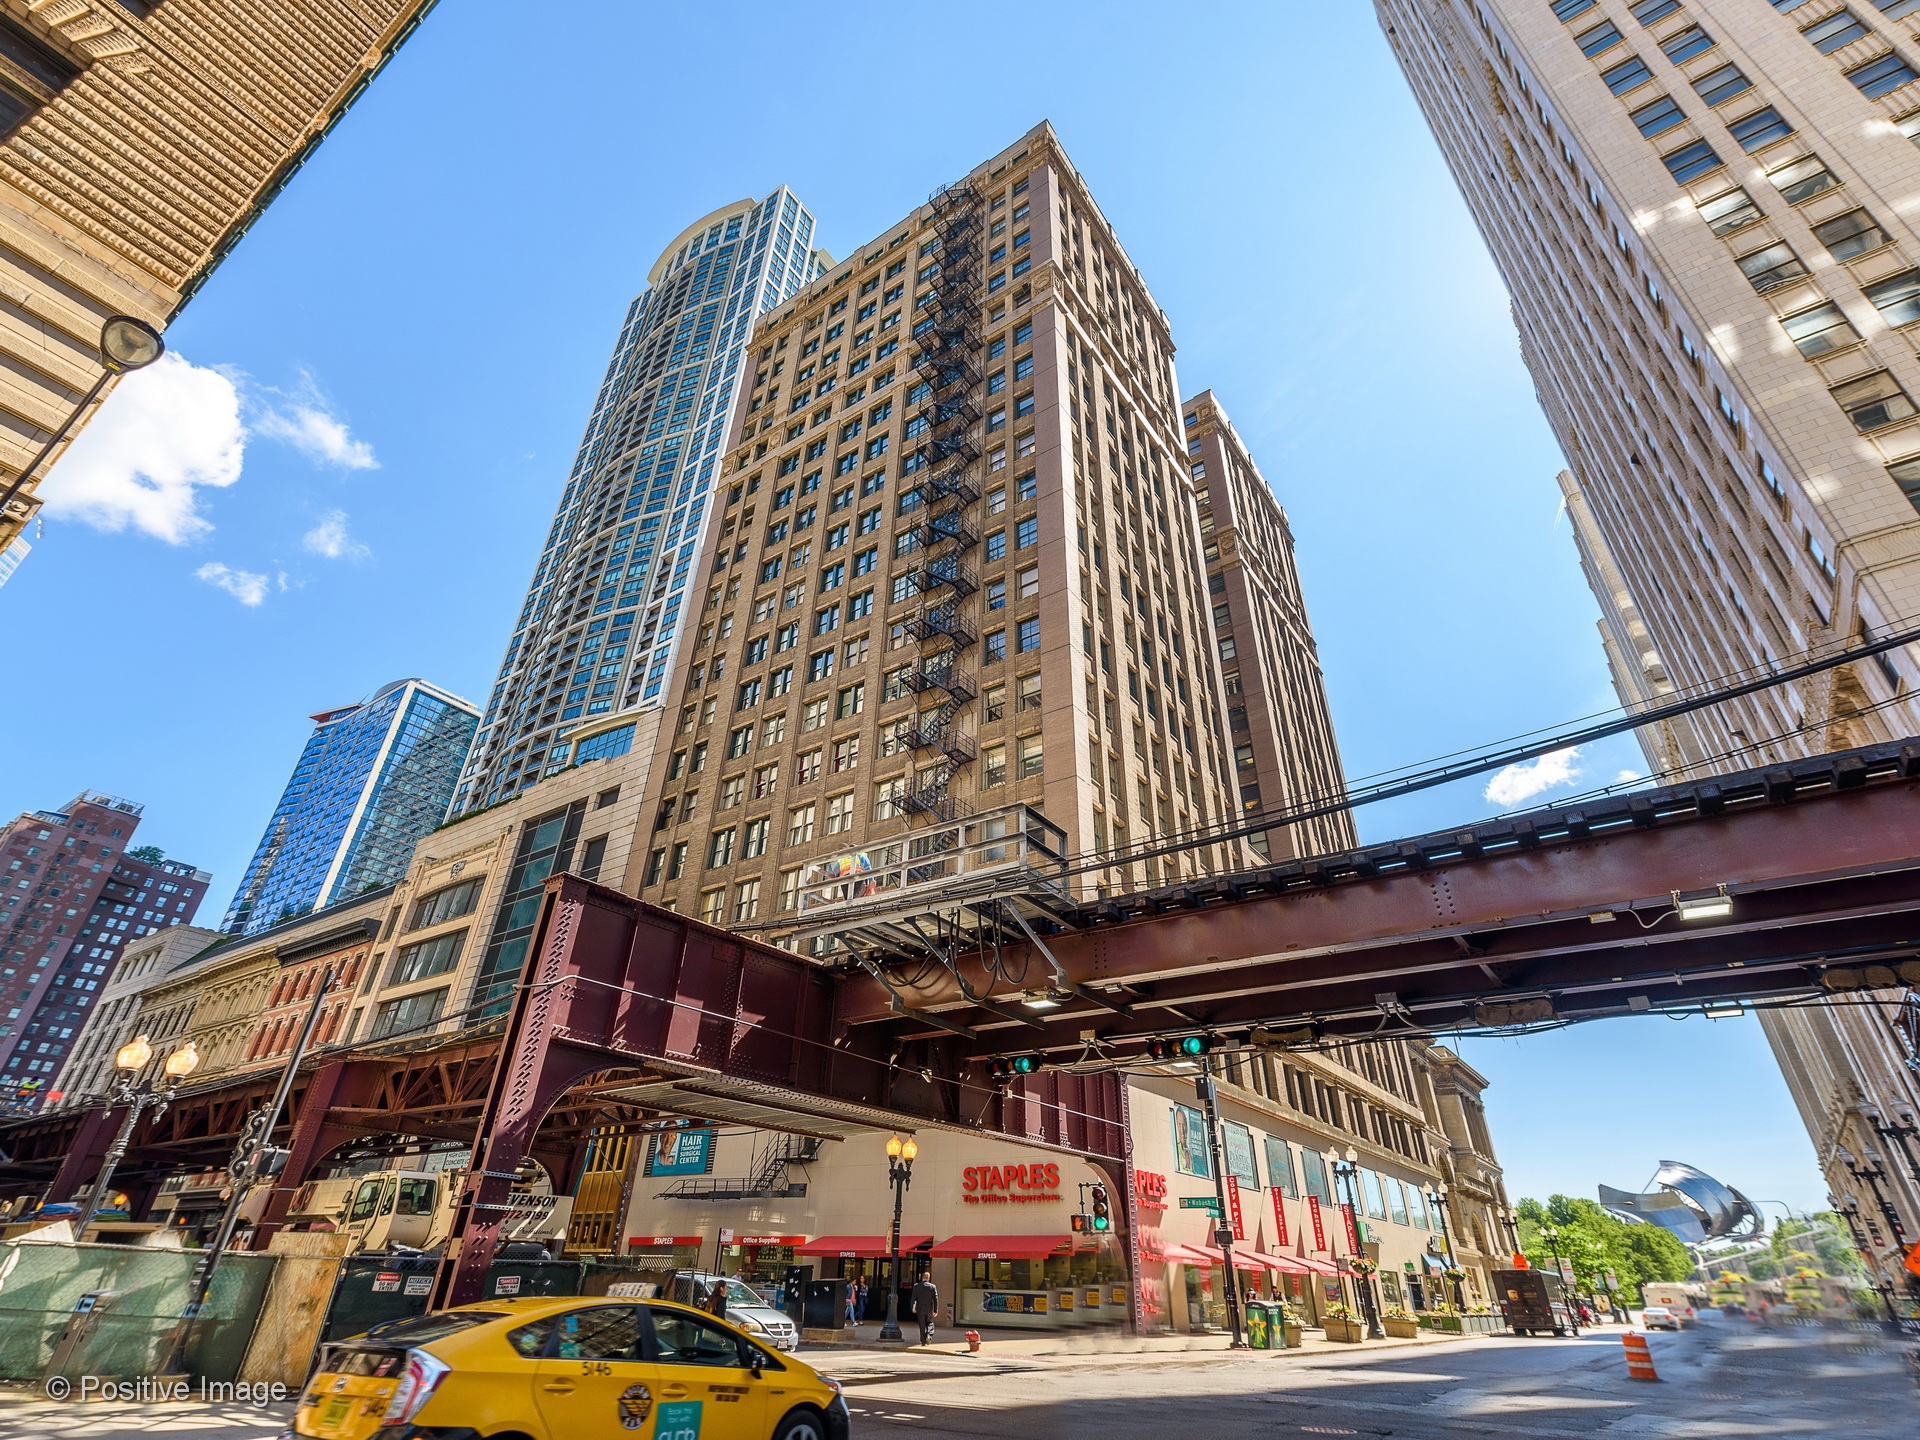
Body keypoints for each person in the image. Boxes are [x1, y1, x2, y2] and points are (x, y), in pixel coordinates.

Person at [912, 1270, 940, 1346]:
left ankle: (923, 1340)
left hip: (920, 1308)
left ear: (922, 1277)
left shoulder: (916, 1286)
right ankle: (929, 1336)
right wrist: (935, 1310)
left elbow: (913, 1298)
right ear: (928, 1278)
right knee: (930, 1323)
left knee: (922, 1324)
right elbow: (935, 1299)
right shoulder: (932, 1287)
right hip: (929, 1308)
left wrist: (913, 1307)